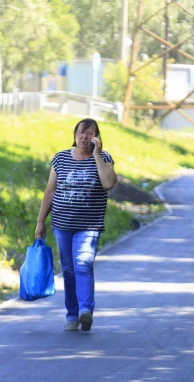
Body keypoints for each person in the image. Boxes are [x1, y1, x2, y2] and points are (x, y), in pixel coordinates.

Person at [35, 118, 117, 332]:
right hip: (62, 224)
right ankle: (72, 315)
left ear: (97, 138)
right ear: (74, 135)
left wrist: (97, 154)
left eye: (90, 133)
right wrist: (40, 221)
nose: (84, 137)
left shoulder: (104, 158)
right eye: (81, 132)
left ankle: (85, 311)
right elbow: (50, 191)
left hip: (88, 225)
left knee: (83, 264)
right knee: (69, 270)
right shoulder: (61, 158)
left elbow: (108, 183)